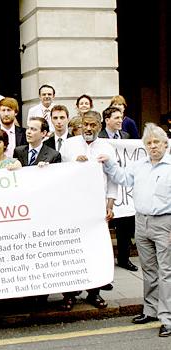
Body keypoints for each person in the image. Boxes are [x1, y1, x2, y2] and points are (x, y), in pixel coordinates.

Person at [98, 123, 171, 337]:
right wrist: (109, 163)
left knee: (166, 271)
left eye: (157, 142)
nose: (153, 146)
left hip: (165, 222)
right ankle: (150, 310)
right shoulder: (139, 165)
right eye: (149, 143)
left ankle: (167, 317)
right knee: (149, 270)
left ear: (165, 144)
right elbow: (122, 178)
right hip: (142, 222)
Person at [60, 110, 118, 310]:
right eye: (86, 124)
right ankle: (69, 295)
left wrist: (110, 204)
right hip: (72, 206)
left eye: (93, 125)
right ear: (81, 124)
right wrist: (75, 164)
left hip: (97, 207)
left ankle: (94, 293)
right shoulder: (69, 145)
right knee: (71, 250)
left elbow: (113, 179)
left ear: (100, 127)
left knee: (95, 250)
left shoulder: (107, 147)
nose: (89, 128)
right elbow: (59, 174)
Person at [98, 106, 136, 272]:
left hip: (122, 187)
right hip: (104, 186)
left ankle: (124, 259)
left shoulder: (126, 137)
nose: (121, 121)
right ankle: (104, 263)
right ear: (107, 120)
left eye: (121, 118)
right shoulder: (100, 137)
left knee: (125, 226)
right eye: (117, 118)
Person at [0, 97, 27, 162]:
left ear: (16, 113)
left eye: (9, 110)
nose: (6, 114)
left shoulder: (24, 133)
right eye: (3, 110)